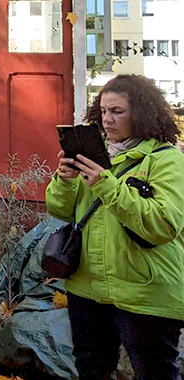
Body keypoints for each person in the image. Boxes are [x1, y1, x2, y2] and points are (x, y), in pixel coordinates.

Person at [45, 74, 184, 380]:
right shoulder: (93, 154)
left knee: (157, 373)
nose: (107, 120)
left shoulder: (167, 160)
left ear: (141, 113)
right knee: (91, 372)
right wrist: (64, 181)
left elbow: (162, 224)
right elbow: (61, 211)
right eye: (104, 111)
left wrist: (107, 185)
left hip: (146, 291)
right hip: (88, 288)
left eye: (117, 111)